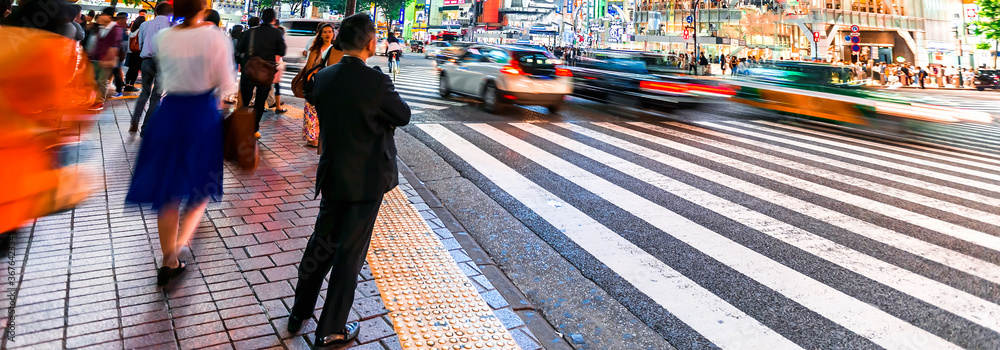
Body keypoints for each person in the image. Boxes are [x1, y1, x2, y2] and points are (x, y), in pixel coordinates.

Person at [287, 13, 410, 348]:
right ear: (371, 42)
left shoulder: (324, 78)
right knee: (350, 255)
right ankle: (331, 328)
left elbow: (319, 103)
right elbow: (403, 115)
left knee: (321, 244)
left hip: (333, 173)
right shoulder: (376, 81)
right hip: (367, 178)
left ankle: (298, 313)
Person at [124, 0, 235, 287]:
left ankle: (168, 260)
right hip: (201, 115)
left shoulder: (164, 37)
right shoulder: (215, 36)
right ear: (202, 7)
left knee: (167, 191)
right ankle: (175, 251)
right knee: (202, 188)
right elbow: (226, 82)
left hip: (168, 113)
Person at [236, 8, 286, 135]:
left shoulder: (250, 32)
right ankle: (254, 128)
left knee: (245, 100)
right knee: (260, 101)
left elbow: (239, 48)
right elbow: (281, 51)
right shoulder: (276, 33)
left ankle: (241, 126)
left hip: (249, 68)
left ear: (261, 18)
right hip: (266, 71)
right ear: (273, 19)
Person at [131, 2, 173, 134]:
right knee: (156, 96)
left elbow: (141, 44)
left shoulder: (144, 24)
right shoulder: (172, 27)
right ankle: (146, 129)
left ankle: (135, 121)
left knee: (145, 91)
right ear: (170, 13)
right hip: (163, 62)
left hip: (147, 61)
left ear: (155, 12)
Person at [84, 8, 124, 111]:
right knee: (91, 80)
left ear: (109, 17)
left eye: (103, 15)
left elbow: (114, 46)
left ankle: (99, 102)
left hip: (106, 60)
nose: (101, 17)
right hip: (95, 58)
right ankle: (92, 99)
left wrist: (106, 59)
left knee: (102, 81)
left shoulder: (116, 29)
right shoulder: (99, 27)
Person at [303, 22, 335, 148]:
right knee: (311, 110)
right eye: (325, 32)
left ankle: (322, 135)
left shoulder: (336, 49)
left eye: (330, 32)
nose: (327, 34)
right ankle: (311, 138)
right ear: (320, 34)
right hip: (316, 83)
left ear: (333, 34)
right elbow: (308, 68)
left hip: (329, 84)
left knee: (325, 111)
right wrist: (311, 82)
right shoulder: (315, 49)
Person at [124, 15, 145, 92]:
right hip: (137, 52)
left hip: (130, 52)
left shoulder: (132, 30)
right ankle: (131, 85)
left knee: (130, 69)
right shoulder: (140, 31)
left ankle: (127, 85)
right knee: (135, 69)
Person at [111, 12, 130, 97]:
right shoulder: (124, 29)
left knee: (117, 70)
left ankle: (119, 90)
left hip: (117, 54)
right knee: (117, 70)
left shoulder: (121, 29)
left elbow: (122, 44)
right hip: (117, 54)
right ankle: (118, 88)